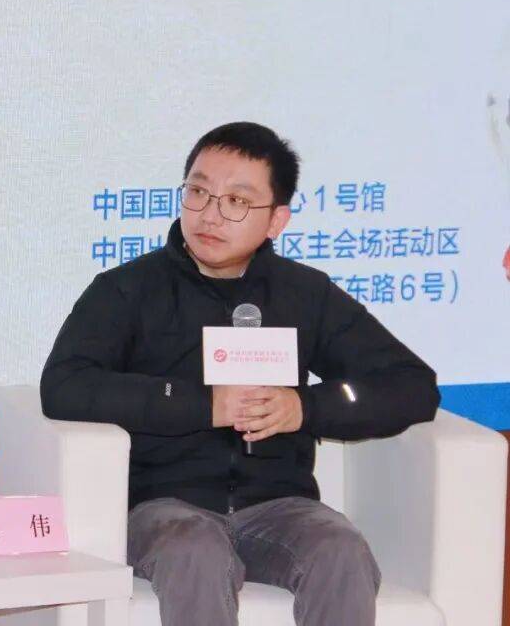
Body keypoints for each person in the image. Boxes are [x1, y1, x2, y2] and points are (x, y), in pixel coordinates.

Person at [41, 122, 440, 626]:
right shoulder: (127, 290)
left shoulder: (305, 294)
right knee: (195, 548)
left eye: (236, 201)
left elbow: (412, 385)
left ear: (276, 220)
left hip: (280, 507)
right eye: (198, 192)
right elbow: (65, 385)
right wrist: (202, 404)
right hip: (161, 506)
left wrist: (306, 408)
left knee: (340, 548)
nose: (210, 214)